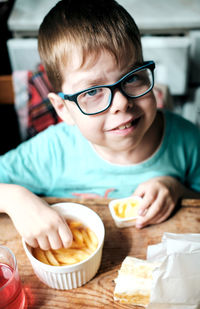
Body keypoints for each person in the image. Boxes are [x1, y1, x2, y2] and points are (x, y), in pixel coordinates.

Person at [0, 0, 200, 251]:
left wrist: (177, 189)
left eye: (133, 77)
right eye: (93, 91)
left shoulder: (188, 140)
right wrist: (14, 199)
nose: (121, 102)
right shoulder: (52, 150)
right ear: (63, 109)